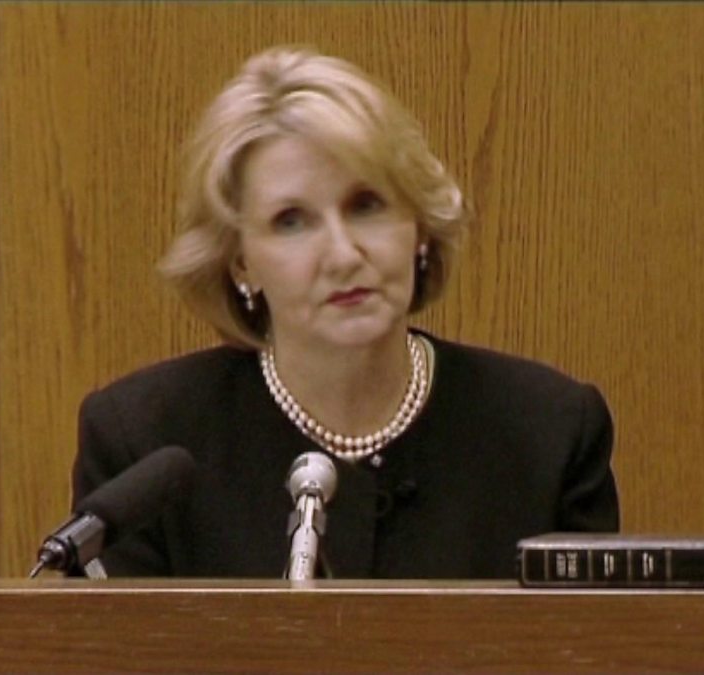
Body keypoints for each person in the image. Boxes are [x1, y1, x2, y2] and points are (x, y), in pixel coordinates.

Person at [72, 46, 619, 578]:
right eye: (292, 221)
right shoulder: (144, 442)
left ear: (419, 227)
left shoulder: (548, 433)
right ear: (241, 263)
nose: (342, 255)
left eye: (366, 206)